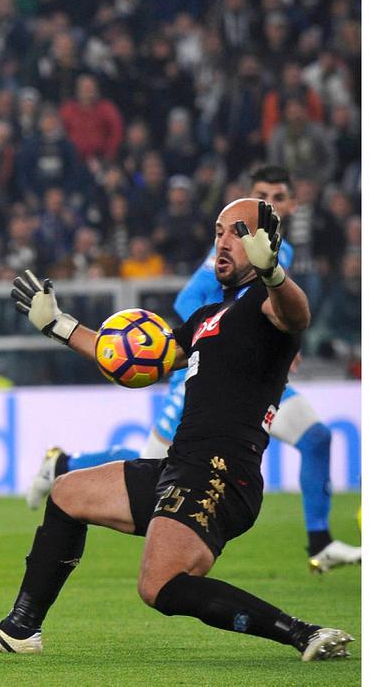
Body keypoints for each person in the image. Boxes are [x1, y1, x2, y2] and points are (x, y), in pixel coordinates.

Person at [0, 199, 353, 661]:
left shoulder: (267, 304)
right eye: (218, 231)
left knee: (159, 585)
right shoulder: (207, 317)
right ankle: (20, 630)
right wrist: (59, 325)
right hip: (181, 465)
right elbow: (134, 357)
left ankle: (303, 632)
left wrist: (274, 273)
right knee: (67, 494)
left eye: (236, 233)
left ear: (265, 242)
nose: (222, 242)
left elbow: (297, 316)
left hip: (221, 473)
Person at [26, 166, 360, 573]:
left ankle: (320, 542)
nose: (267, 202)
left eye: (277, 197)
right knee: (154, 465)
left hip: (253, 373)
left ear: (291, 205)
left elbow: (292, 315)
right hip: (208, 367)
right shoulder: (235, 245)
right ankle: (64, 465)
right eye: (260, 194)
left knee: (317, 437)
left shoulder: (278, 254)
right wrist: (219, 336)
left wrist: (271, 335)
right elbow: (187, 304)